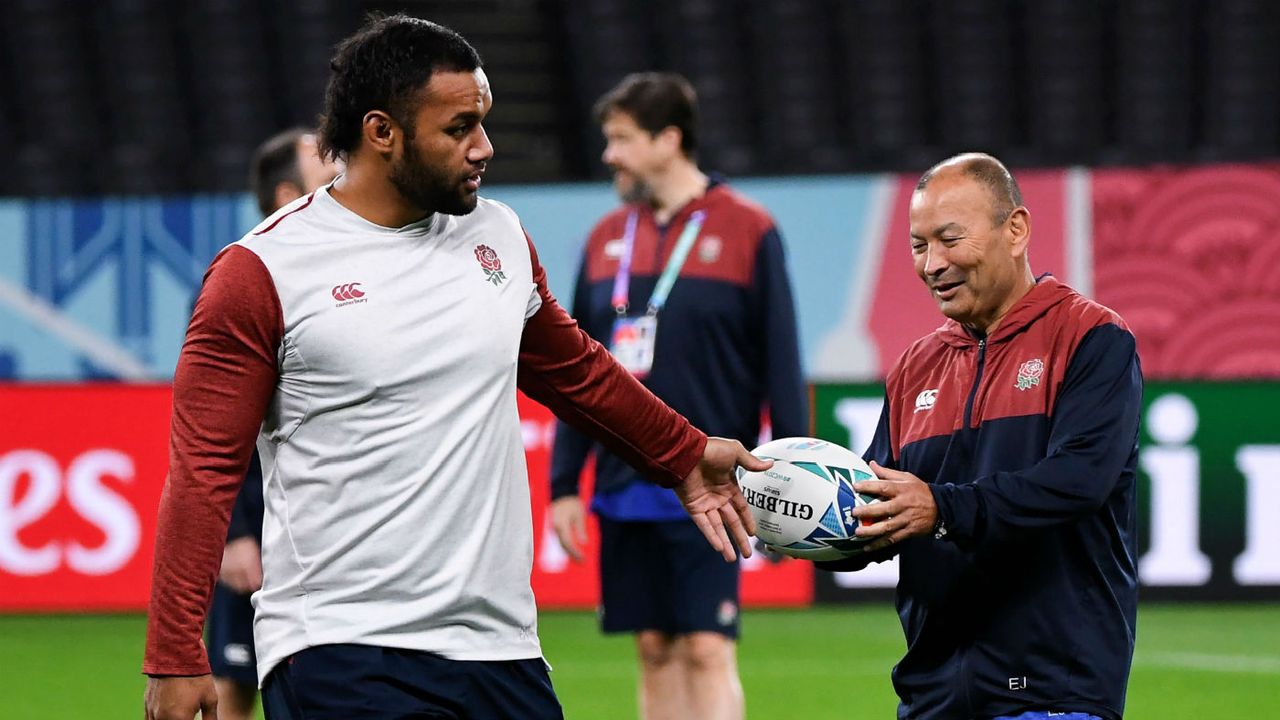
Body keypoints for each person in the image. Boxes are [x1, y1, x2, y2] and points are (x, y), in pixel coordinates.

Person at [141, 16, 767, 720]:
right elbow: (202, 471)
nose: (485, 147)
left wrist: (683, 454)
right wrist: (173, 653)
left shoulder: (496, 235)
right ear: (382, 132)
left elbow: (577, 372)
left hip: (501, 649)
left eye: (484, 122)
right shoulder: (261, 272)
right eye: (460, 128)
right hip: (342, 651)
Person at [827, 153, 1142, 720]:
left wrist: (941, 508)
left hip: (1055, 691)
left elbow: (1079, 481)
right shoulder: (914, 367)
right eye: (919, 246)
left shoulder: (1091, 337)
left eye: (950, 239)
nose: (933, 264)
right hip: (932, 697)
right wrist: (811, 524)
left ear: (1015, 229)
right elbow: (880, 508)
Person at [548, 72, 807, 720]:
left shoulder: (750, 230)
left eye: (621, 140)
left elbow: (782, 363)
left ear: (668, 139)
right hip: (621, 481)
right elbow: (577, 370)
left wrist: (793, 482)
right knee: (655, 647)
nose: (609, 155)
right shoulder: (605, 238)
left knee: (706, 646)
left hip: (714, 481)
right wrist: (560, 486)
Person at [203, 128, 341, 720]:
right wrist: (235, 533)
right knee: (235, 682)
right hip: (260, 524)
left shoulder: (348, 270)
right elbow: (212, 431)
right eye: (323, 162)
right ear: (289, 192)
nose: (340, 166)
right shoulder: (243, 279)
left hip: (328, 530)